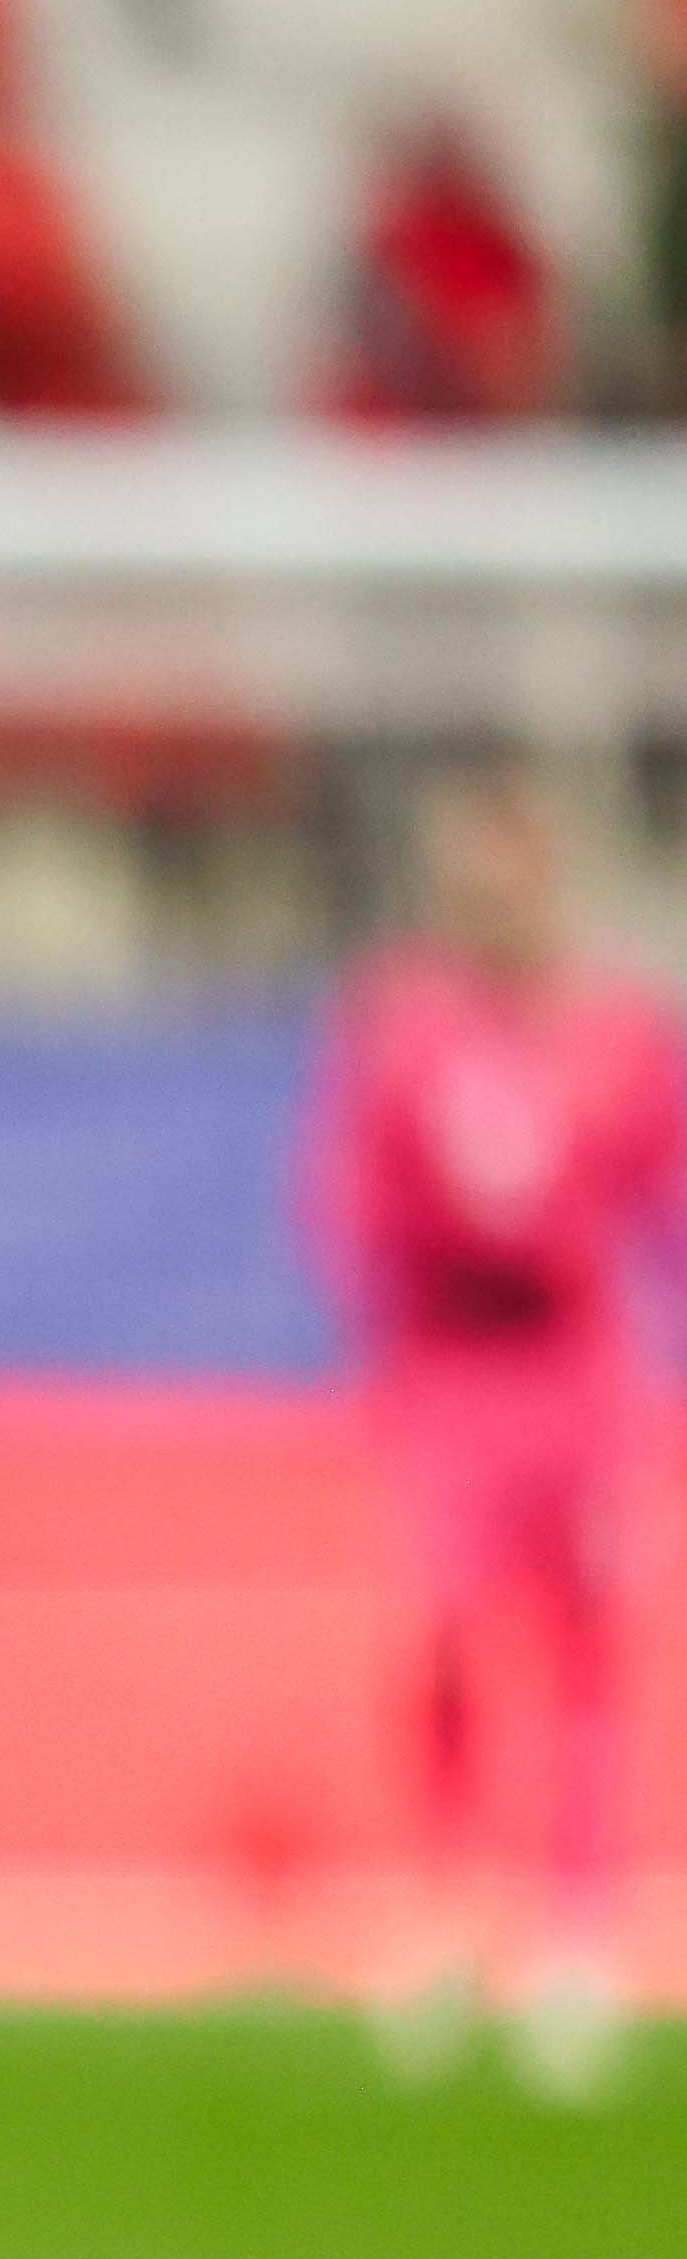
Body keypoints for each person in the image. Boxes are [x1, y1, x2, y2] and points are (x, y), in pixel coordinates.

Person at [306, 760, 683, 2101]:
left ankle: (575, 1932)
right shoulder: (402, 1026)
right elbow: (346, 1202)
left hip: (572, 1378)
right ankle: (440, 1906)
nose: (482, 898)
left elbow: (666, 1196)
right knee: (440, 1642)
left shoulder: (616, 1029)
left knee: (588, 1648)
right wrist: (394, 1325)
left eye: (503, 872)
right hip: (454, 1380)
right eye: (461, 874)